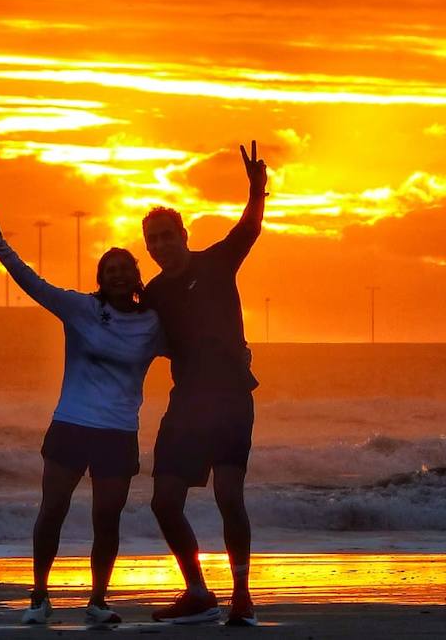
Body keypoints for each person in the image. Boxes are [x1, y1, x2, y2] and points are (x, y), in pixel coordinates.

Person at [0, 210, 161, 626]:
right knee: (53, 509)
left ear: (137, 277)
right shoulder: (81, 309)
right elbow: (34, 284)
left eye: (124, 269)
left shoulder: (154, 323)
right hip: (72, 424)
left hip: (118, 433)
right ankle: (40, 596)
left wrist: (237, 356)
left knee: (106, 519)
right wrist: (0, 245)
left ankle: (98, 600)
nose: (117, 275)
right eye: (109, 270)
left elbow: (193, 345)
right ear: (101, 278)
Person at [140, 141, 267, 627]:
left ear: (183, 235)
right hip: (187, 406)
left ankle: (241, 596)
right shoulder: (152, 294)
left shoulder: (216, 262)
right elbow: (141, 338)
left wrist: (256, 190)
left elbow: (249, 229)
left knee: (229, 497)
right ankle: (197, 590)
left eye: (166, 236)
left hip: (232, 400)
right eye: (152, 240)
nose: (160, 245)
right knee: (164, 501)